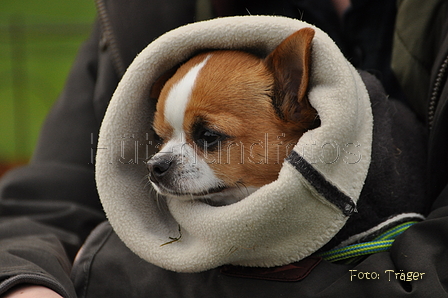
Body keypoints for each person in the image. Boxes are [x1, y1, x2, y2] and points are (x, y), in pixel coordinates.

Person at [1, 0, 447, 297]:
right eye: (160, 137)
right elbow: (43, 202)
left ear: (293, 94)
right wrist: (25, 278)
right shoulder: (139, 14)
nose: (158, 161)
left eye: (209, 138)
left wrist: (105, 267)